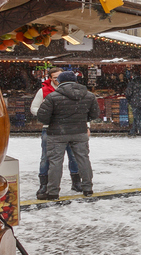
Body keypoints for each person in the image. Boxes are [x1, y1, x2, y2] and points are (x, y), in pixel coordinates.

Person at [36, 70, 99, 199]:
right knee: (83, 159)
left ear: (59, 81)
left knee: (55, 162)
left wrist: (54, 121)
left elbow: (42, 117)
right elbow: (94, 115)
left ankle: (53, 191)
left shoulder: (52, 97)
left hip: (57, 133)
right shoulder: (89, 96)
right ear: (76, 81)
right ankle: (87, 188)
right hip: (79, 132)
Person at [31, 72, 81, 199]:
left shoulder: (74, 91)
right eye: (55, 78)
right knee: (47, 157)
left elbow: (81, 109)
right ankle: (44, 184)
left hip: (71, 128)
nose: (58, 80)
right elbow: (34, 108)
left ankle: (76, 182)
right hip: (50, 128)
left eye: (59, 78)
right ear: (50, 78)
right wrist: (48, 115)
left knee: (74, 156)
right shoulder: (43, 91)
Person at [124, 69, 141, 136]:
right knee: (137, 116)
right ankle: (132, 131)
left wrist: (129, 99)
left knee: (137, 117)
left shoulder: (132, 83)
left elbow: (128, 93)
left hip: (135, 102)